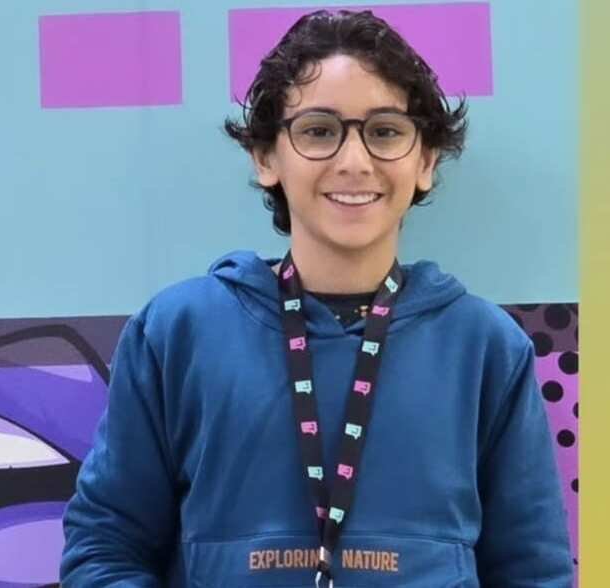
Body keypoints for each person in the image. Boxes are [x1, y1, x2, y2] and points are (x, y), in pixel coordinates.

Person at [60, 9, 573, 587]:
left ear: (426, 160)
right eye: (319, 131)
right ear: (266, 158)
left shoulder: (485, 347)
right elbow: (104, 548)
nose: (354, 162)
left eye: (385, 131)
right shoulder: (177, 332)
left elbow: (534, 570)